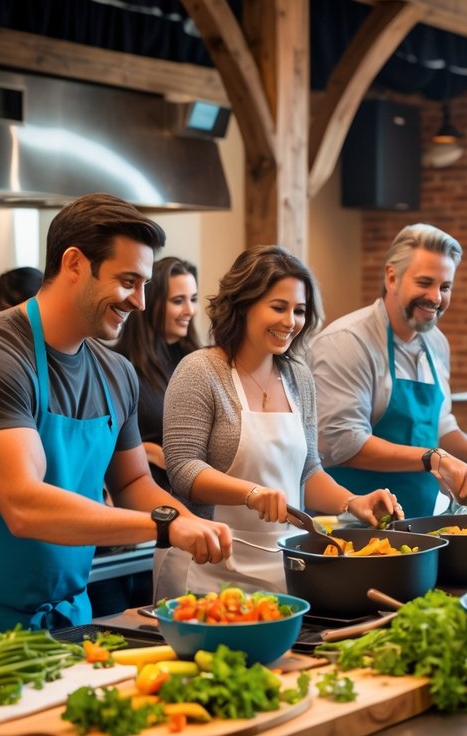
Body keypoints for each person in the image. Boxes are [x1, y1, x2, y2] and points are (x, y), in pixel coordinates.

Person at [0, 193, 233, 662]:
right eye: (128, 281)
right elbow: (23, 505)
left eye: (144, 284)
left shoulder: (115, 371)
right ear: (75, 263)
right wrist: (165, 527)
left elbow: (131, 481)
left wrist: (188, 521)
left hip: (69, 622)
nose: (141, 303)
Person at [157, 246, 399, 596]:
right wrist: (250, 493)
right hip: (205, 565)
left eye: (299, 311)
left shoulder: (298, 377)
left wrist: (352, 502)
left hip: (281, 562)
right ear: (243, 305)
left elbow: (308, 471)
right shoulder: (200, 371)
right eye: (278, 307)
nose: (291, 322)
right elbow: (182, 469)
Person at [311, 224, 467, 518]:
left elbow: (442, 427)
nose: (436, 297)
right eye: (425, 282)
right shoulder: (348, 342)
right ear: (392, 277)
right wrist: (434, 458)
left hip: (422, 519)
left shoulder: (436, 344)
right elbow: (346, 444)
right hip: (355, 524)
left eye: (445, 286)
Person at [113, 256, 202, 491]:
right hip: (147, 492)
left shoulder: (198, 361)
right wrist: (145, 449)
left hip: (197, 493)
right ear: (150, 303)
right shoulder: (121, 365)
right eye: (178, 301)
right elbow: (100, 444)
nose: (189, 310)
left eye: (193, 299)